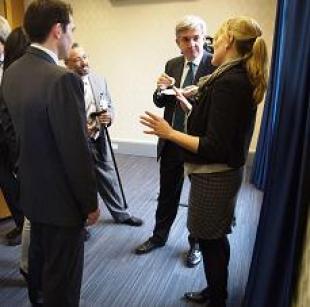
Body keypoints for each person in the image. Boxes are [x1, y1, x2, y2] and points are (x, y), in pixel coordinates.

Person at [140, 16, 268, 307]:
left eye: (214, 38)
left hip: (214, 172)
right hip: (210, 167)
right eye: (186, 38)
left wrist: (169, 131)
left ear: (229, 42)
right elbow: (213, 118)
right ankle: (216, 290)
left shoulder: (228, 79)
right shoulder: (228, 73)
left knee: (209, 237)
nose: (206, 44)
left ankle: (216, 296)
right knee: (210, 233)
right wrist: (183, 102)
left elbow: (214, 144)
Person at [1, 1, 100, 306]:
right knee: (63, 285)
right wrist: (89, 202)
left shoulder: (13, 71)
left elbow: (15, 134)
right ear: (58, 30)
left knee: (41, 274)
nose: (71, 38)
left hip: (31, 195)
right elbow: (75, 151)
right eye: (71, 30)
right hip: (62, 204)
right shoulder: (61, 79)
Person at [135, 15, 214, 268]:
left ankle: (196, 244)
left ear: (203, 38)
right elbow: (161, 101)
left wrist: (191, 96)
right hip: (170, 141)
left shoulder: (214, 65)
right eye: (186, 40)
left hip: (197, 143)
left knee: (199, 200)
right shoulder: (172, 64)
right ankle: (159, 237)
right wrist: (160, 90)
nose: (192, 44)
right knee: (168, 194)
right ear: (177, 42)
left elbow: (216, 106)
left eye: (196, 38)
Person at [65, 44, 143, 230]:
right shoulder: (62, 84)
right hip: (75, 144)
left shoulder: (99, 80)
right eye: (77, 59)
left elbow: (109, 106)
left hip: (98, 138)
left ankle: (122, 214)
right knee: (78, 183)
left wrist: (109, 117)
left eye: (85, 57)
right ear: (67, 63)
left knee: (108, 176)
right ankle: (79, 224)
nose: (84, 62)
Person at [0, 27, 31, 247]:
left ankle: (28, 227)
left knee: (26, 181)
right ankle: (22, 223)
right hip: (3, 136)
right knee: (6, 181)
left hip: (15, 137)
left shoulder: (17, 69)